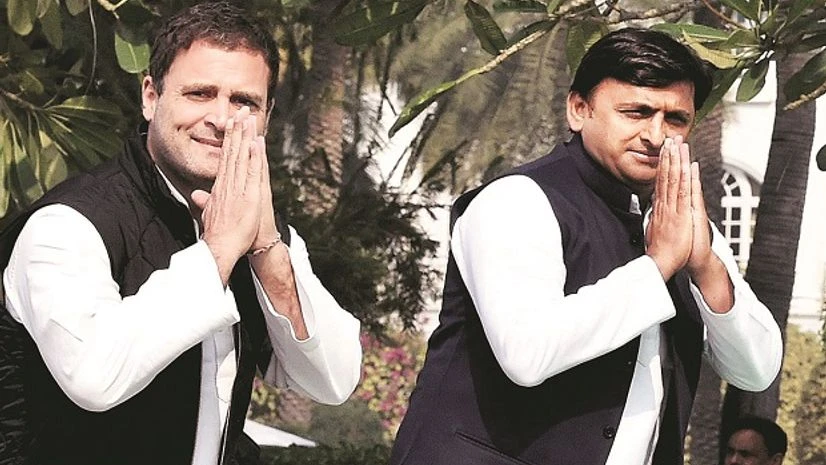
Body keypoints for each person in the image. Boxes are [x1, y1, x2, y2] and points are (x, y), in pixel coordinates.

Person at [389, 28, 782, 465]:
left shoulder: (683, 226)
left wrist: (706, 267)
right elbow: (527, 353)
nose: (656, 136)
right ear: (579, 110)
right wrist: (658, 266)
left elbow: (756, 369)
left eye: (675, 119)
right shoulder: (517, 200)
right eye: (636, 112)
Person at [0, 2, 361, 464]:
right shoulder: (68, 225)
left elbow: (333, 380)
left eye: (243, 101)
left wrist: (268, 254)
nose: (220, 118)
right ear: (151, 96)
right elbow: (94, 377)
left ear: (266, 116)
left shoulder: (262, 236)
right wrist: (216, 255)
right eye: (199, 93)